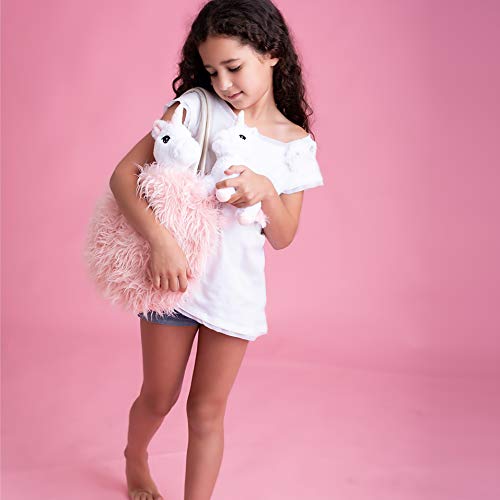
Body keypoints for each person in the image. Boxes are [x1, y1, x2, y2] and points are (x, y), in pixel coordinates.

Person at [109, 1, 324, 498]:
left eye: (234, 67)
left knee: (206, 411)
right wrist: (161, 243)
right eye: (212, 71)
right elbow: (123, 177)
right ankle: (135, 456)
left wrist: (266, 190)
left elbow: (283, 236)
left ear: (271, 52)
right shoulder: (195, 108)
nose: (223, 83)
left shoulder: (295, 144)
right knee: (159, 397)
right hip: (174, 280)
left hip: (234, 292)